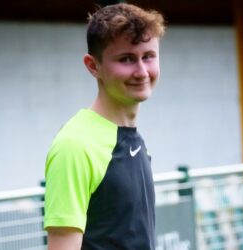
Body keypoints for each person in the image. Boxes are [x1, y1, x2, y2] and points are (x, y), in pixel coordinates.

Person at [44, 3, 165, 249]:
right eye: (127, 59)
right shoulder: (75, 146)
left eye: (148, 57)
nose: (141, 72)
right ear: (93, 66)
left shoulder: (133, 139)